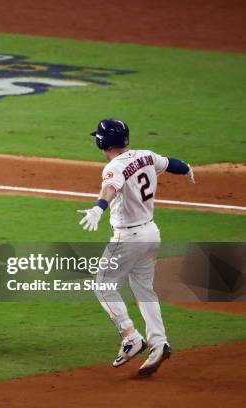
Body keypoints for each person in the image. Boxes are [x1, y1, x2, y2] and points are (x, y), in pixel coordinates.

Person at [77, 118, 195, 376]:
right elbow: (170, 163)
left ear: (102, 142)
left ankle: (131, 337)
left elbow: (109, 187)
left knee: (103, 285)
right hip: (151, 233)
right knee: (144, 290)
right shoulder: (146, 155)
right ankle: (159, 342)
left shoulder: (113, 167)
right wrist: (186, 167)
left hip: (128, 239)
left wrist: (99, 207)